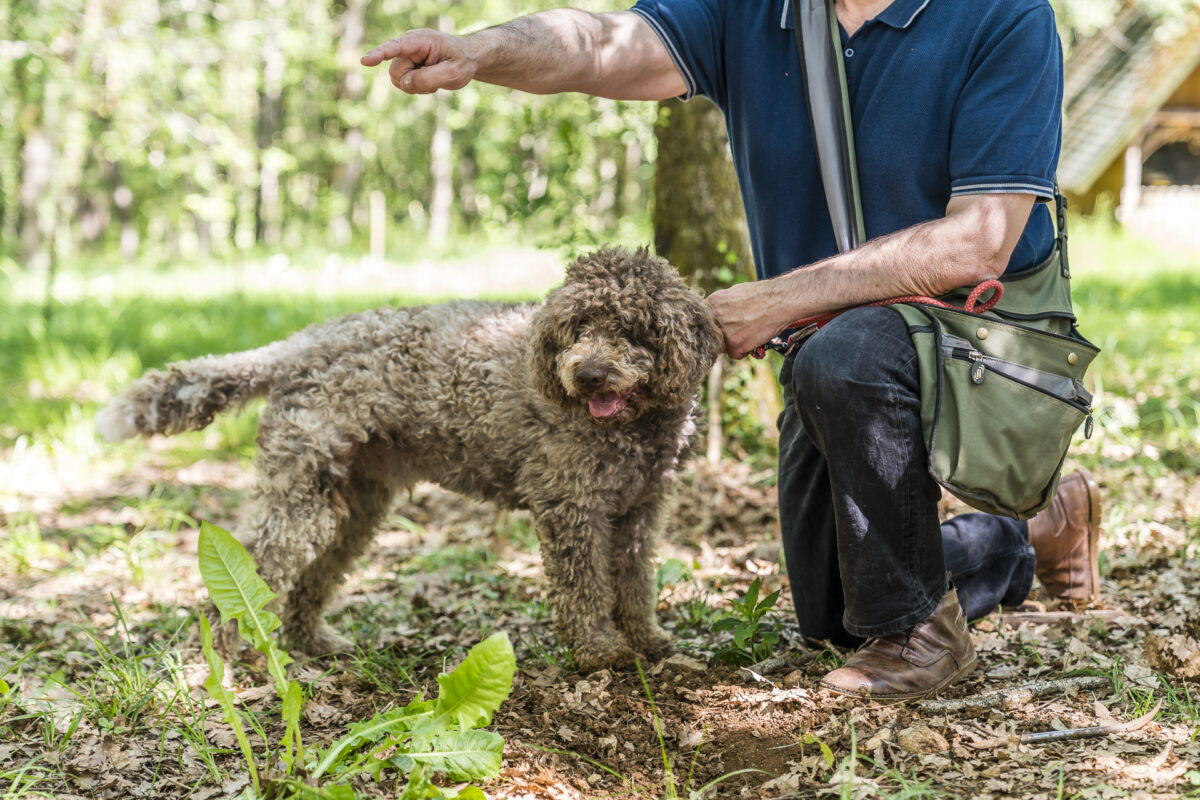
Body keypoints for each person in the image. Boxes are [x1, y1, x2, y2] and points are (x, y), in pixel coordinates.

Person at [361, 0, 1103, 700]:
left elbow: (978, 243)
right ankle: (1030, 533)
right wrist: (480, 49)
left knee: (848, 371)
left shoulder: (1006, 17)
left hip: (978, 337)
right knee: (836, 614)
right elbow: (596, 45)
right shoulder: (755, 12)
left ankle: (919, 634)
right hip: (832, 353)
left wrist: (777, 299)